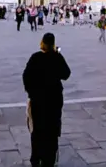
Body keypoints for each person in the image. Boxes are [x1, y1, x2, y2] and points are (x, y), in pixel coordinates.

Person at [23, 33, 71, 167]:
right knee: (52, 129)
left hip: (38, 100)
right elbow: (66, 74)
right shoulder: (56, 57)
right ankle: (49, 158)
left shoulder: (35, 57)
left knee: (37, 130)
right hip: (54, 99)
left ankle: (35, 158)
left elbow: (26, 76)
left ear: (42, 42)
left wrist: (31, 93)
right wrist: (58, 54)